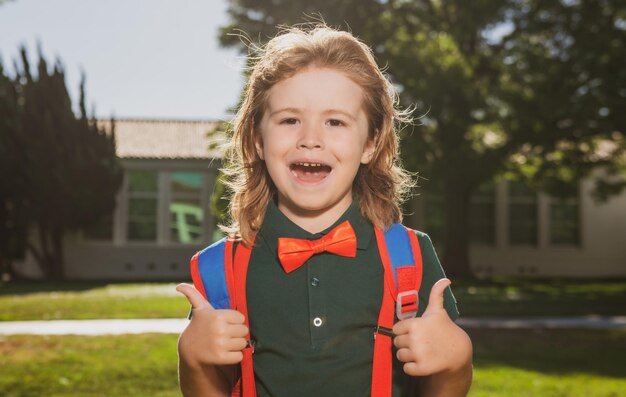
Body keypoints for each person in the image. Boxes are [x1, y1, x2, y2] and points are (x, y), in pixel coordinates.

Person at [176, 24, 473, 397]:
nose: (311, 139)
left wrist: (456, 361)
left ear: (370, 143)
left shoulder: (410, 256)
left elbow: (441, 379)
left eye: (335, 121)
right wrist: (193, 359)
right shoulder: (219, 270)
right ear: (257, 138)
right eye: (289, 120)